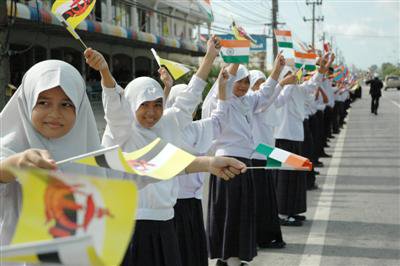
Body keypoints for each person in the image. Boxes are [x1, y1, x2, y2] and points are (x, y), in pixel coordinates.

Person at [86, 37, 247, 266]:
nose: (152, 112)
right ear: (132, 104)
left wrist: (210, 56)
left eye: (157, 104)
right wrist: (104, 73)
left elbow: (190, 96)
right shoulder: (122, 132)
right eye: (144, 105)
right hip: (130, 227)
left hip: (165, 224)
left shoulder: (168, 123)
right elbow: (114, 108)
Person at [0, 60, 105, 247]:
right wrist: (15, 165)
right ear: (27, 101)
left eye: (66, 104)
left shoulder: (91, 152)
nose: (54, 113)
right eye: (43, 102)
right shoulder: (9, 146)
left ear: (79, 108)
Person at [202, 53, 291, 266]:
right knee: (230, 214)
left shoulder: (246, 101)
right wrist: (238, 57)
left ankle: (229, 260)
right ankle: (230, 260)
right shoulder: (220, 99)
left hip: (244, 162)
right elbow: (227, 81)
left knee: (239, 213)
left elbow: (266, 93)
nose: (242, 86)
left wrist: (277, 70)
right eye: (239, 81)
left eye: (246, 82)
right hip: (227, 162)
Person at [166, 67, 230, 266]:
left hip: (193, 202)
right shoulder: (164, 130)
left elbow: (221, 120)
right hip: (171, 203)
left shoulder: (199, 127)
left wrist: (221, 89)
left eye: (194, 104)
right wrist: (167, 88)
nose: (191, 108)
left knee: (191, 251)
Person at [273, 54, 333, 226]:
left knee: (295, 178)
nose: (294, 77)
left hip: (295, 137)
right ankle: (283, 214)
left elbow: (313, 83)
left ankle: (292, 210)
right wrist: (293, 77)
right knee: (285, 178)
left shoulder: (297, 89)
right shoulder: (281, 90)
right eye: (289, 75)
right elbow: (281, 94)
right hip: (283, 138)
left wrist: (321, 68)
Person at [248, 70, 285, 249]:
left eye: (264, 82)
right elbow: (268, 96)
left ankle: (268, 236)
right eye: (258, 83)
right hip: (255, 155)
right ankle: (258, 237)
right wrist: (281, 82)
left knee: (268, 199)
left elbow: (277, 98)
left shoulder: (266, 102)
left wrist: (285, 84)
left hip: (267, 153)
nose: (262, 86)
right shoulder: (251, 102)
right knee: (259, 200)